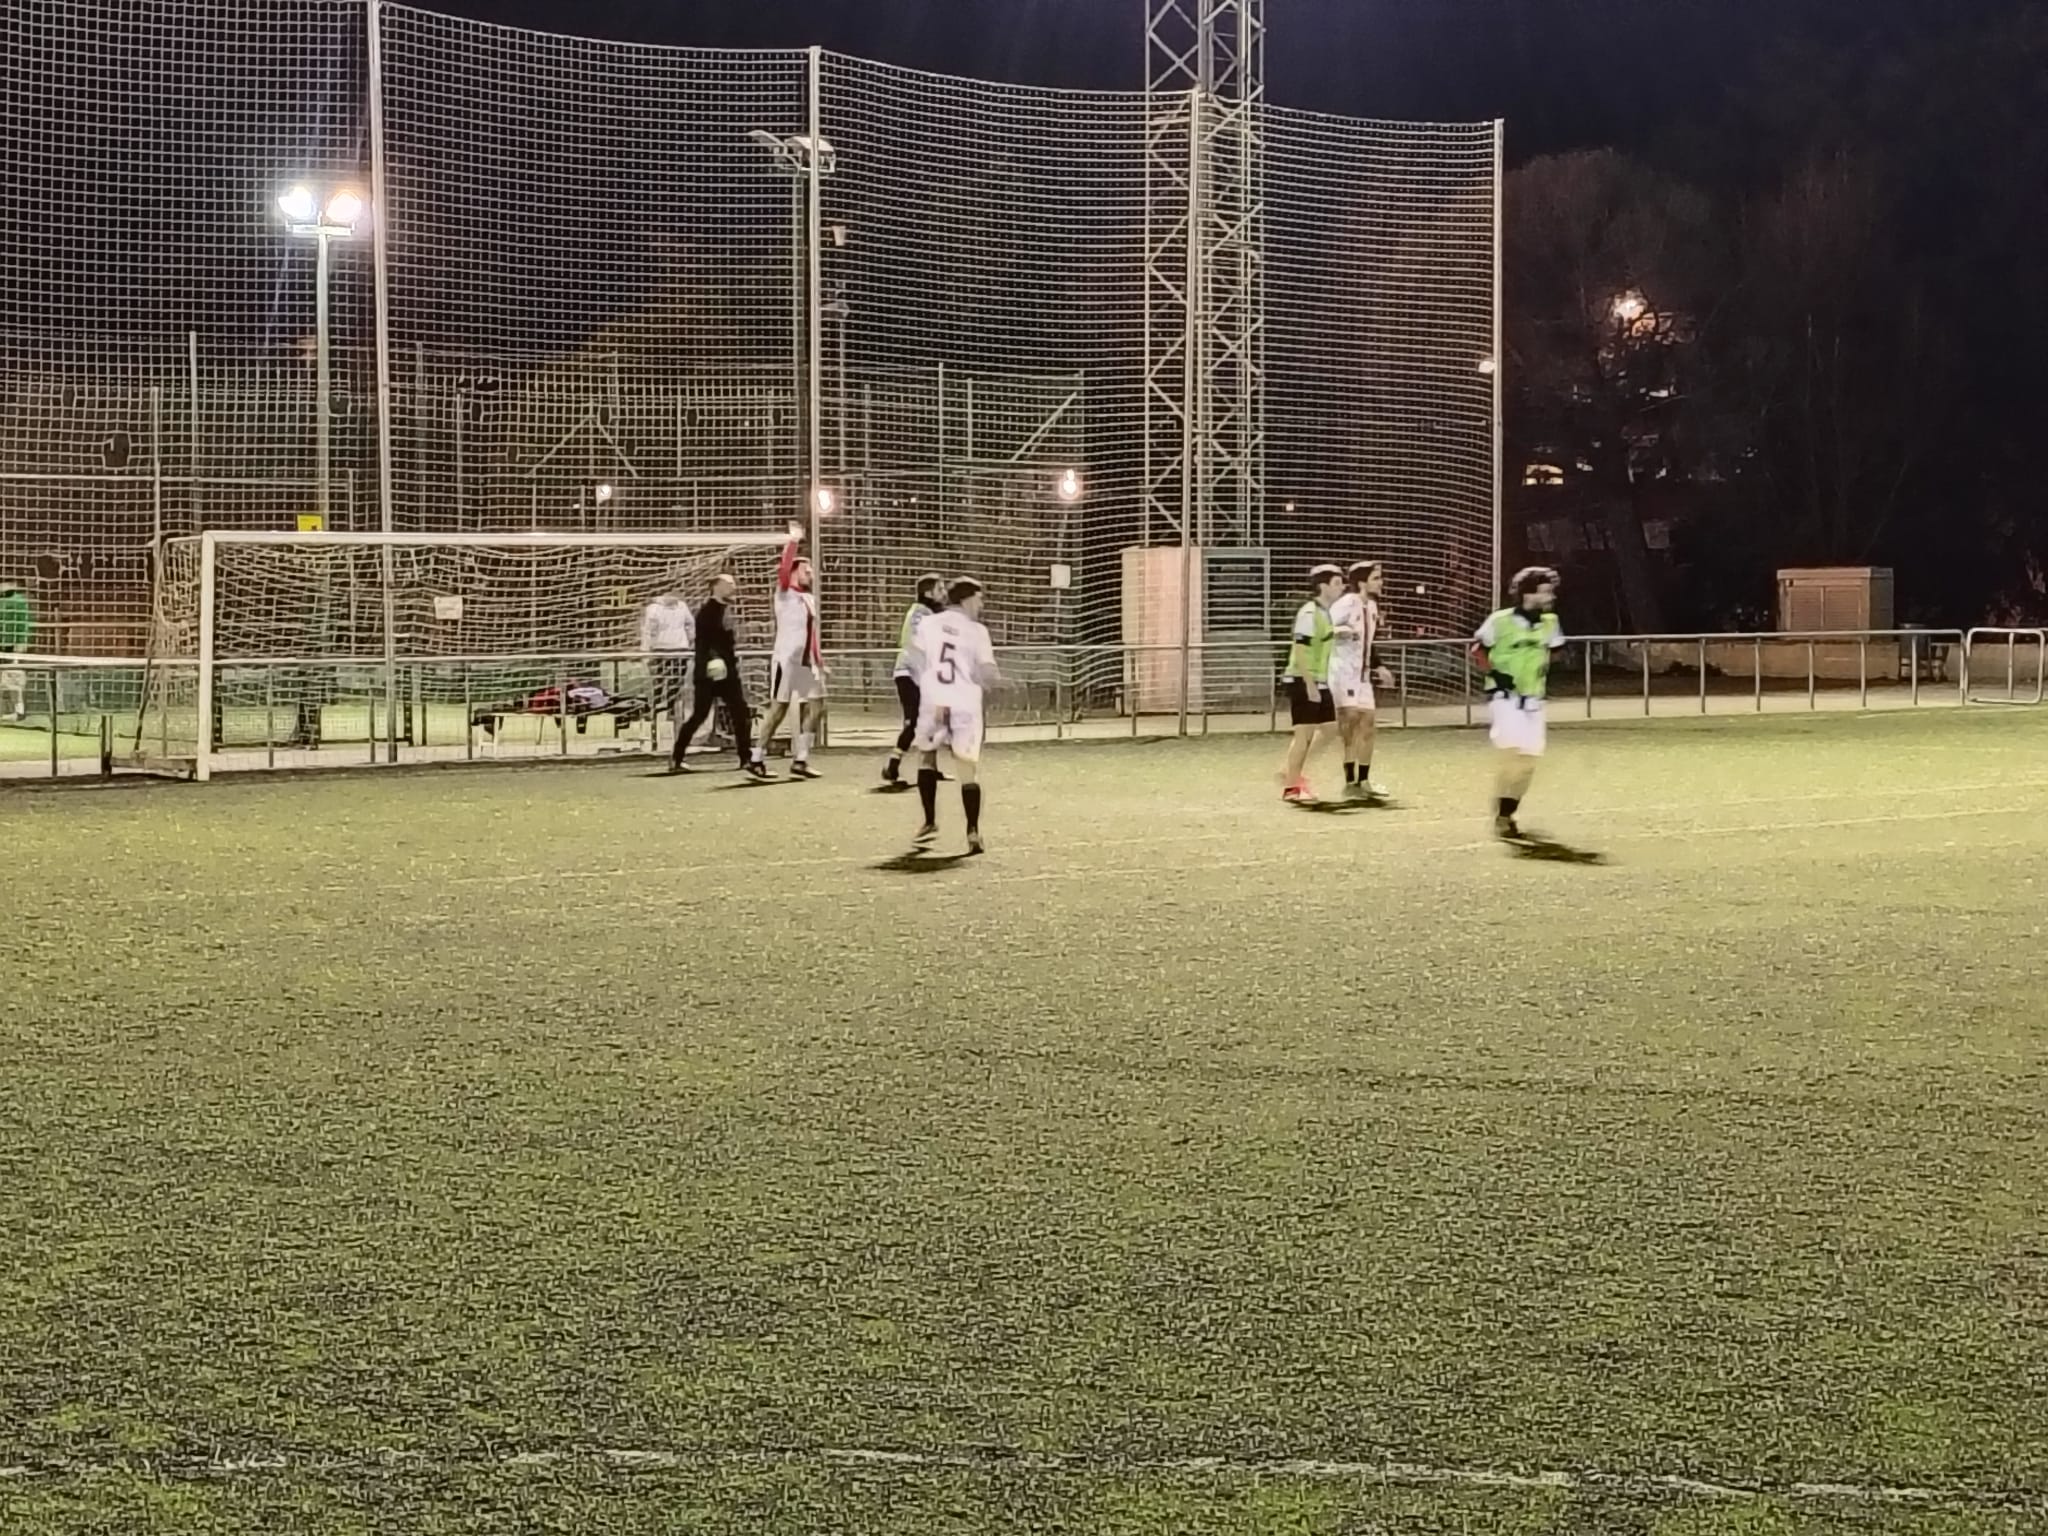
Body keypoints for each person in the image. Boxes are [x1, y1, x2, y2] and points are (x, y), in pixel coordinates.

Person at [1472, 566, 1566, 841]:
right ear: (1528, 593)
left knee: (1529, 760)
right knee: (1512, 753)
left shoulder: (1550, 622)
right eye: (1545, 591)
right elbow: (1478, 650)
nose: (1550, 597)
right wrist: (1496, 674)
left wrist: (1540, 666)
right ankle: (1502, 814)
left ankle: (1508, 811)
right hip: (1505, 698)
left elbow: (1556, 650)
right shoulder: (1500, 620)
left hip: (1534, 699)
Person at [910, 577, 998, 854]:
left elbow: (915, 658)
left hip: (934, 700)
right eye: (980, 599)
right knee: (966, 768)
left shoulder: (928, 623)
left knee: (926, 757)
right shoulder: (977, 631)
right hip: (964, 703)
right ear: (967, 599)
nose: (982, 605)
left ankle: (929, 821)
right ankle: (973, 832)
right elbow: (987, 671)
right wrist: (992, 680)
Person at [750, 525, 824, 780]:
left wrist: (819, 659)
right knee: (778, 709)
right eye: (806, 570)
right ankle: (756, 758)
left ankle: (801, 758)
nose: (810, 574)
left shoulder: (808, 599)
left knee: (816, 706)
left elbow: (812, 632)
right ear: (793, 572)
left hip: (805, 662)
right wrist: (793, 541)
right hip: (786, 660)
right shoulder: (784, 593)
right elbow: (783, 570)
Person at [669, 573, 755, 774]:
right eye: (729, 584)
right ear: (716, 586)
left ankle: (746, 758)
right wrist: (713, 662)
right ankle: (676, 757)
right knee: (699, 715)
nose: (734, 587)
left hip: (728, 673)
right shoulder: (707, 612)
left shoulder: (726, 610)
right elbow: (703, 644)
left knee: (741, 714)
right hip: (709, 674)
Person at [1329, 560, 1397, 801]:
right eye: (1376, 578)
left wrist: (1379, 666)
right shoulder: (1347, 603)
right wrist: (1339, 631)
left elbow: (1369, 642)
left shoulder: (1373, 607)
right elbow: (1324, 628)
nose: (1381, 582)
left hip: (1363, 677)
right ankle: (1350, 782)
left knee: (1368, 726)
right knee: (1350, 727)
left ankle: (1364, 780)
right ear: (1361, 582)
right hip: (1344, 674)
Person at [1278, 565, 1344, 803]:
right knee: (1303, 735)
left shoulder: (1325, 613)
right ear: (1323, 586)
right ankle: (1291, 788)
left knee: (1330, 729)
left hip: (1319, 680)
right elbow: (1300, 648)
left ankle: (1291, 771)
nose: (1342, 588)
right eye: (1337, 583)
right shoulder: (1308, 612)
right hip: (1303, 679)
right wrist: (1309, 685)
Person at [883, 573, 946, 786]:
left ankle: (929, 768)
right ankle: (892, 765)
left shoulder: (920, 612)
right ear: (928, 593)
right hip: (910, 674)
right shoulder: (924, 615)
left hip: (915, 674)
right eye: (939, 589)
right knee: (913, 721)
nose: (943, 593)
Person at [639, 583, 696, 744]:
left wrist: (690, 640)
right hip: (660, 650)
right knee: (658, 683)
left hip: (680, 650)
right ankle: (655, 712)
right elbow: (648, 630)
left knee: (676, 683)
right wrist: (645, 651)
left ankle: (671, 710)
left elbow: (690, 624)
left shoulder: (682, 606)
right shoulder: (653, 609)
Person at [0, 578, 31, 722]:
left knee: (15, 679)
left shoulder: (19, 601)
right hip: (4, 646)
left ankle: (18, 711)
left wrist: (21, 642)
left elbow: (23, 623)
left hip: (12, 647)